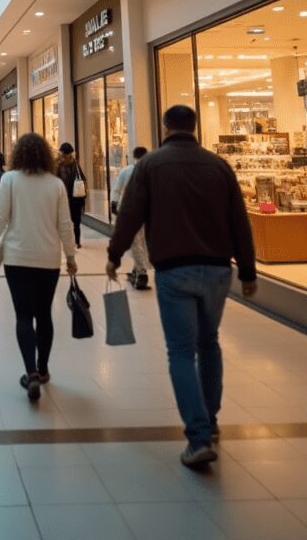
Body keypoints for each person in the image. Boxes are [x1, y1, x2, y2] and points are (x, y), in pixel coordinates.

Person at [106, 105, 257, 468]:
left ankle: (199, 435)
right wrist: (249, 271)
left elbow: (131, 214)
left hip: (175, 270)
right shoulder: (218, 166)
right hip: (218, 270)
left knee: (180, 352)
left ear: (165, 127)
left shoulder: (151, 166)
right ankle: (212, 419)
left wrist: (114, 254)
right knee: (210, 343)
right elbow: (239, 220)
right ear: (194, 126)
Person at [0, 133, 76, 402]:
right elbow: (65, 224)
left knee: (24, 316)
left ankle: (31, 372)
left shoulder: (10, 180)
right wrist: (70, 255)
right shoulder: (56, 184)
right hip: (48, 259)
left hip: (17, 258)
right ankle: (44, 367)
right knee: (44, 314)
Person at [110, 146, 150, 289]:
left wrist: (114, 203)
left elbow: (117, 188)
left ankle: (141, 272)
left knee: (136, 242)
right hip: (146, 212)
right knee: (142, 242)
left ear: (134, 156)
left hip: (130, 212)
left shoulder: (126, 171)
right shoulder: (149, 171)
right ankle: (138, 269)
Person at [57, 143, 86, 248]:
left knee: (65, 222)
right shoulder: (76, 164)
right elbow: (83, 179)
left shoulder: (59, 165)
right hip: (76, 197)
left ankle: (68, 242)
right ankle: (77, 242)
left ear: (62, 153)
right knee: (76, 221)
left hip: (64, 197)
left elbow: (55, 181)